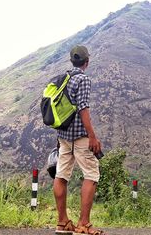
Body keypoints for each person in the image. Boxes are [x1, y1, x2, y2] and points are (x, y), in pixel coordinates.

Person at [54, 45, 104, 235]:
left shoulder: (63, 79)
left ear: (71, 60)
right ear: (87, 62)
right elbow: (83, 108)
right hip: (80, 137)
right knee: (91, 174)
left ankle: (62, 222)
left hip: (63, 136)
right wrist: (92, 136)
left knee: (62, 175)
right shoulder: (82, 79)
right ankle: (84, 224)